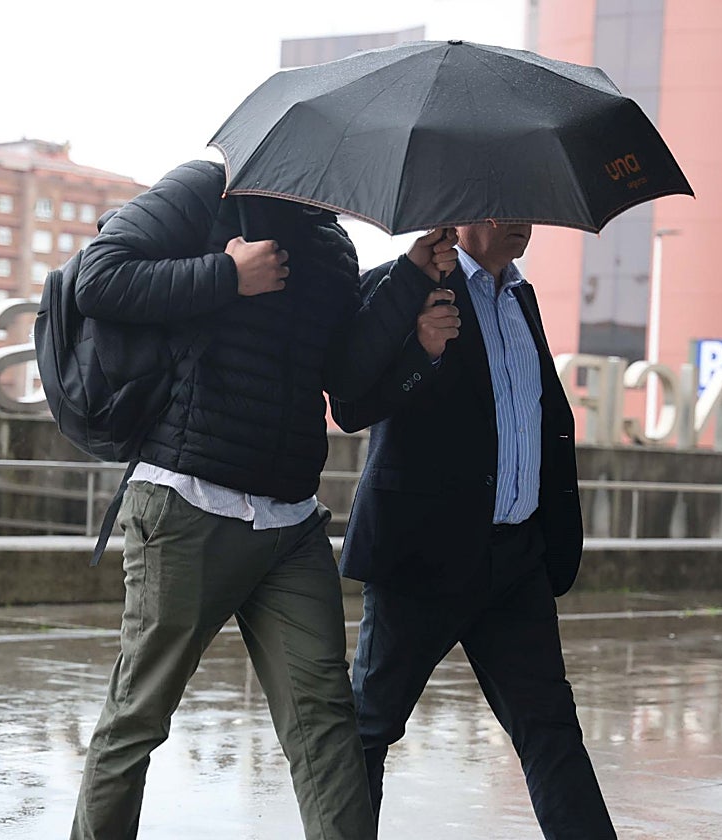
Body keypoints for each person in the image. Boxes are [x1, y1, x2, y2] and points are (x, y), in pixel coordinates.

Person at [68, 158, 457, 840]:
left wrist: (411, 280)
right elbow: (98, 278)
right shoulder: (204, 194)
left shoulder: (332, 245)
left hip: (288, 522)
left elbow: (344, 384)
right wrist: (226, 275)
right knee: (139, 718)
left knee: (326, 720)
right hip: (188, 505)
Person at [330, 221, 617, 838]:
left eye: (528, 205)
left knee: (552, 733)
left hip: (515, 559)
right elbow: (350, 403)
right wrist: (421, 353)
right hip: (422, 558)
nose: (522, 218)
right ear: (461, 215)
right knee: (368, 731)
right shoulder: (404, 281)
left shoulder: (520, 296)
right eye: (503, 203)